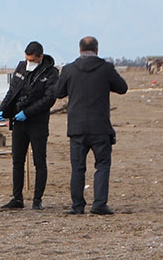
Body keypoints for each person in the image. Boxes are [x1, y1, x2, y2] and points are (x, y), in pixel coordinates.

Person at [53, 36, 128, 215]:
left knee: (78, 168)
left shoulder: (69, 69)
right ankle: (99, 204)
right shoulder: (106, 68)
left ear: (80, 50)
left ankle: (77, 206)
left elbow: (58, 92)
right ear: (97, 49)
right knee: (102, 165)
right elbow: (122, 88)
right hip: (100, 127)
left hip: (77, 127)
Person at [0, 41, 59, 210]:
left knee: (39, 161)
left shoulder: (51, 73)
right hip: (18, 123)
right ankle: (17, 198)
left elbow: (49, 99)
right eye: (27, 59)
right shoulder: (21, 67)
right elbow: (12, 91)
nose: (29, 62)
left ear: (40, 57)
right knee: (17, 161)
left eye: (32, 59)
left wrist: (28, 113)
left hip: (37, 123)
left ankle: (37, 200)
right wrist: (3, 108)